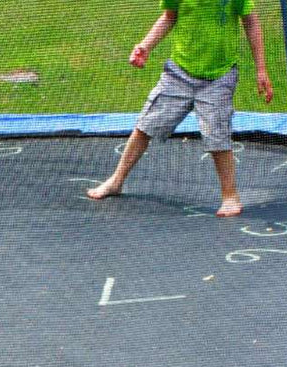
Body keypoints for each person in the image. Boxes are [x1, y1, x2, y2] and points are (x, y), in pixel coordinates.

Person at [87, 0, 274, 217]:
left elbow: (250, 21)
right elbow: (169, 16)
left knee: (217, 136)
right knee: (146, 125)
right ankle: (116, 181)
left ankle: (230, 196)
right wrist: (145, 46)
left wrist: (261, 69)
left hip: (219, 77)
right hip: (179, 73)